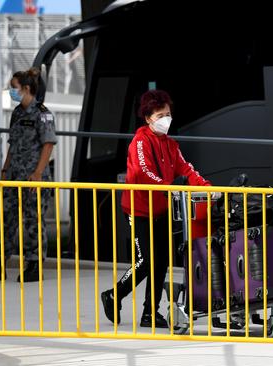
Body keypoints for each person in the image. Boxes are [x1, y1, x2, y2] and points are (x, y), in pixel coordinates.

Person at [101, 89, 213, 328]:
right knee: (145, 261)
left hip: (161, 210)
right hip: (138, 210)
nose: (166, 119)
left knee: (161, 261)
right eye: (161, 115)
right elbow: (143, 172)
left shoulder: (171, 144)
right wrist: (168, 187)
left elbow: (187, 170)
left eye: (168, 114)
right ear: (148, 117)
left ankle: (150, 313)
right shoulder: (140, 141)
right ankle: (114, 294)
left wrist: (208, 188)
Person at [0, 68, 56, 282]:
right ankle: (0, 260)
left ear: (26, 88)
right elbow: (13, 145)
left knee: (32, 220)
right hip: (14, 176)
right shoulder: (17, 113)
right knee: (6, 218)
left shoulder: (43, 113)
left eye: (14, 88)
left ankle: (33, 264)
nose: (11, 91)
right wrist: (4, 171)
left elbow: (48, 144)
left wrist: (38, 173)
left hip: (33, 177)